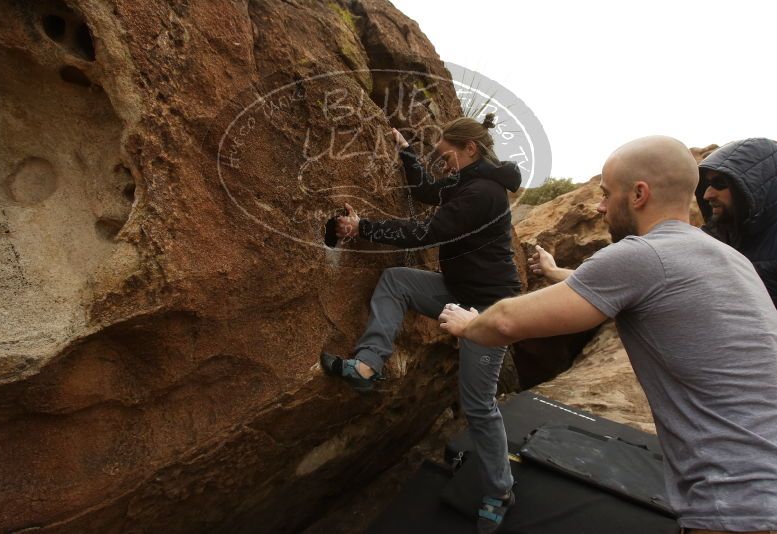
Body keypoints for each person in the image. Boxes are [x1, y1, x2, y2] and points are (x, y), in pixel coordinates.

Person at [440, 136, 777, 534]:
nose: (599, 207)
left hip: (738, 504)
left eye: (605, 193)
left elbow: (505, 322)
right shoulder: (727, 258)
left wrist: (468, 324)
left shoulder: (640, 255)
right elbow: (624, 291)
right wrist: (553, 272)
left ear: (638, 194)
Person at [321, 114, 522, 533]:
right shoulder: (466, 181)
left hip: (489, 308)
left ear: (470, 149)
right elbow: (429, 191)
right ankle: (368, 364)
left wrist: (364, 228)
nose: (444, 162)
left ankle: (500, 490)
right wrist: (405, 151)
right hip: (456, 290)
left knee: (479, 405)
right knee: (397, 281)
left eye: (448, 155)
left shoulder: (483, 192)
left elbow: (427, 231)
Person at [695, 138, 777, 308]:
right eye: (707, 184)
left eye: (719, 184)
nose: (707, 195)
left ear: (754, 186)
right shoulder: (711, 240)